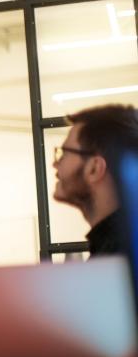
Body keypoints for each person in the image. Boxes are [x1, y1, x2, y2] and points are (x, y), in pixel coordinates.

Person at [53, 104, 138, 257]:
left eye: (64, 153)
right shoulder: (119, 246)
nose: (55, 164)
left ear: (95, 168)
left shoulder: (119, 259)